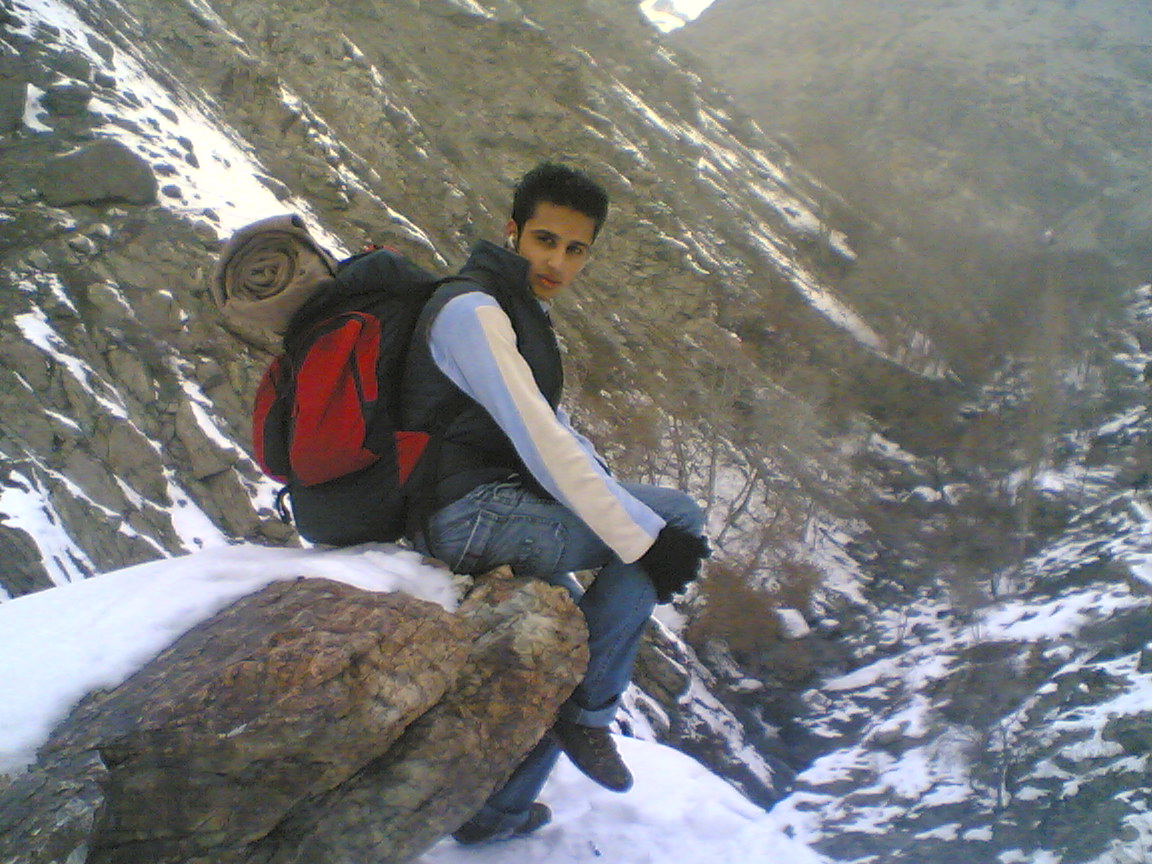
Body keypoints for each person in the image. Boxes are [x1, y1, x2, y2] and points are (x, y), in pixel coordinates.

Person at [403, 162, 710, 844]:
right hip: (469, 513)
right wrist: (645, 538)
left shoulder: (514, 307)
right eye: (545, 240)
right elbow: (538, 437)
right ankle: (590, 713)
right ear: (511, 231)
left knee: (575, 643)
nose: (557, 262)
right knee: (677, 517)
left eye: (576, 249)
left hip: (485, 505)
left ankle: (499, 811)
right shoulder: (473, 311)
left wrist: (621, 508)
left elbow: (554, 430)